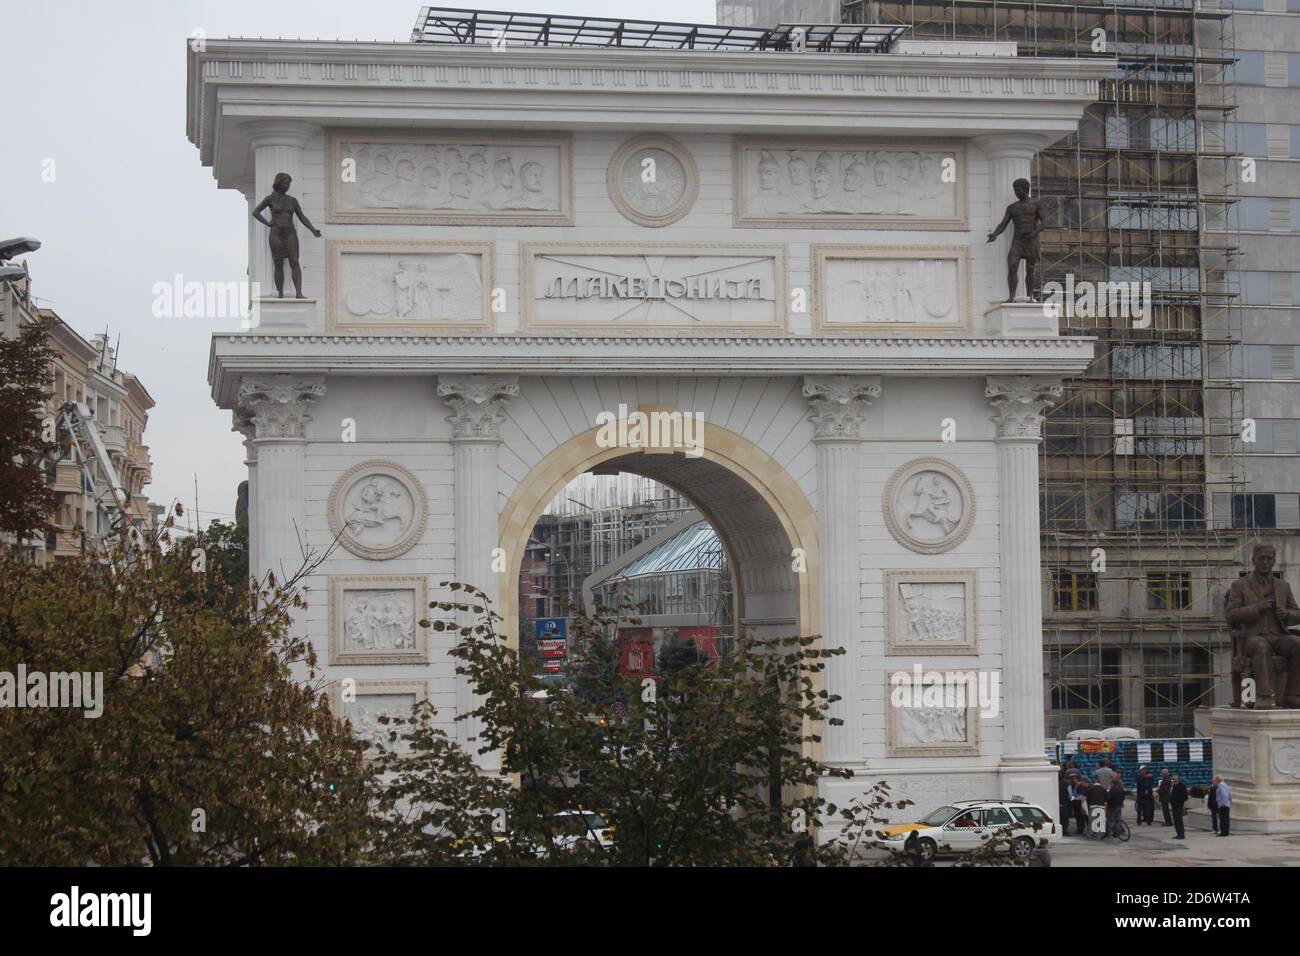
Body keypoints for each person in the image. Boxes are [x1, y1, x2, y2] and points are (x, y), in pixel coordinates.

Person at [1224, 543, 1300, 709]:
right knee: (1260, 645)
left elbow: (1297, 613)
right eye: (1261, 558)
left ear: (1274, 561)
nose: (1265, 562)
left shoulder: (1283, 586)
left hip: (1279, 636)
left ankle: (1292, 695)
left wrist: (1287, 614)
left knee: (1297, 644)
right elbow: (1230, 615)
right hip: (1252, 637)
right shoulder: (1240, 585)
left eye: (1269, 558)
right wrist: (1258, 607)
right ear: (1253, 560)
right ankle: (1263, 695)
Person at [1086, 774, 1108, 839]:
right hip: (1101, 806)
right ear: (1100, 783)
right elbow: (1107, 798)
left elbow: (1088, 798)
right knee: (1100, 822)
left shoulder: (1090, 788)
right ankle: (1100, 836)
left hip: (1092, 806)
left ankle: (1090, 835)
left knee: (1091, 821)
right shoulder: (1103, 789)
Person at [1170, 772, 1189, 839]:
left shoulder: (1182, 786)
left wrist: (1179, 802)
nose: (1174, 780)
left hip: (1179, 806)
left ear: (1178, 779)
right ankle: (1178, 834)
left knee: (1179, 821)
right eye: (1173, 779)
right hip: (1174, 806)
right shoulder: (1174, 786)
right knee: (1175, 821)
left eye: (1175, 779)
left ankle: (1181, 834)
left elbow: (1185, 796)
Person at [1058, 768, 1074, 835]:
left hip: (1058, 802)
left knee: (1060, 817)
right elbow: (1070, 796)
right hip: (1065, 803)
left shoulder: (1056, 782)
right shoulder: (1067, 784)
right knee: (1065, 818)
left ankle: (1061, 830)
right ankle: (1064, 830)